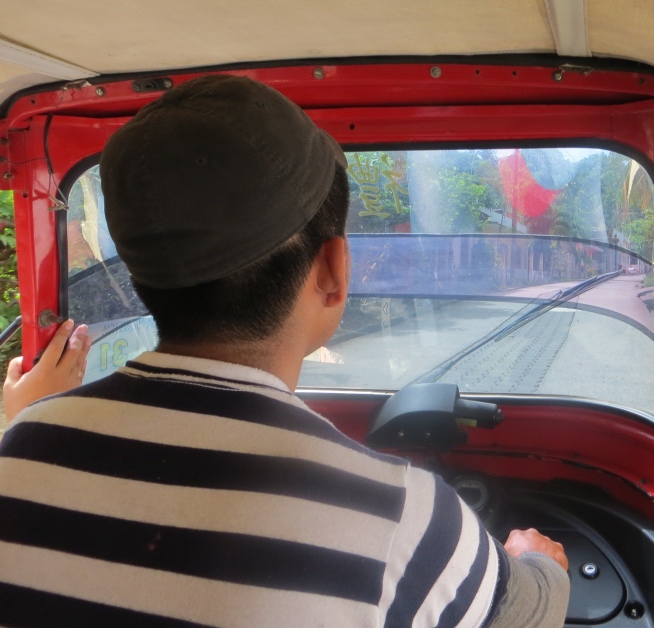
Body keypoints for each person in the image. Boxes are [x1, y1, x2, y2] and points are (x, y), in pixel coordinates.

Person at [0, 75, 570, 627]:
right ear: (334, 270)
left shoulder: (18, 452)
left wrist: (25, 419)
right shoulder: (403, 514)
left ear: (138, 271)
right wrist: (540, 560)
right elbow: (533, 611)